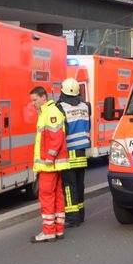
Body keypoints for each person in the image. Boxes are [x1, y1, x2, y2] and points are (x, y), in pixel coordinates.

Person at [29, 86, 69, 242]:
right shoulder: (49, 112)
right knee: (57, 195)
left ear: (43, 97)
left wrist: (49, 157)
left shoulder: (50, 113)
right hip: (54, 164)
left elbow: (56, 138)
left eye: (35, 100)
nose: (33, 103)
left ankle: (48, 231)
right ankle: (58, 229)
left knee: (46, 196)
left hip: (49, 164)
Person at [57, 78, 91, 228]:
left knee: (69, 187)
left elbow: (61, 132)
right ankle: (81, 214)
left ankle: (72, 218)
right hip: (82, 151)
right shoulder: (85, 106)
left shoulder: (61, 108)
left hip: (69, 151)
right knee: (79, 184)